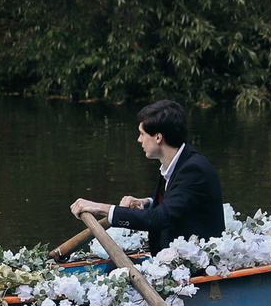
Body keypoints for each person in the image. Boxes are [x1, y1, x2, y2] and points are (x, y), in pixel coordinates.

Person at [70, 98, 225, 252]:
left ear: (158, 137)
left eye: (142, 134)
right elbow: (178, 202)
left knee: (114, 266)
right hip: (170, 253)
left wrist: (98, 208)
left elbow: (159, 219)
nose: (139, 140)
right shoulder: (177, 162)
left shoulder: (193, 169)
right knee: (113, 264)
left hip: (195, 260)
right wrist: (147, 202)